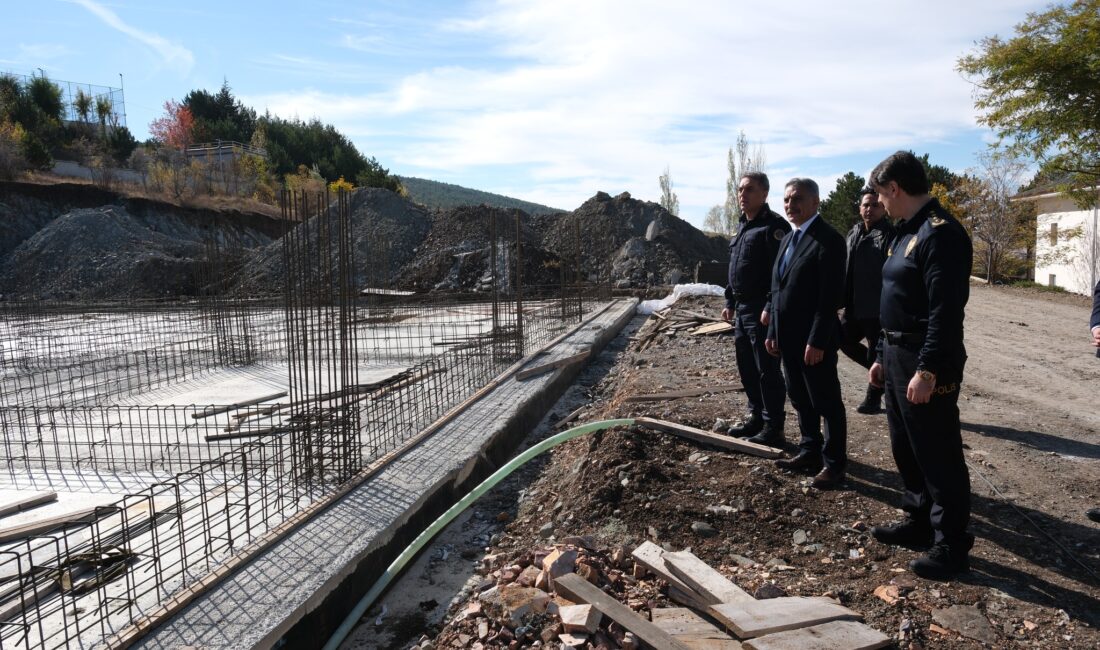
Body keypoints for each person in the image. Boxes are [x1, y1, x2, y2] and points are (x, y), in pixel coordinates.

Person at [867, 151, 974, 580]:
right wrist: (879, 355)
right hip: (896, 355)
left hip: (926, 359)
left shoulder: (940, 235)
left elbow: (944, 313)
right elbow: (891, 303)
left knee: (937, 451)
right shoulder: (904, 232)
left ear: (895, 188)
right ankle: (917, 519)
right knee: (905, 444)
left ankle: (951, 543)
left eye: (880, 195)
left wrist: (928, 369)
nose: (879, 203)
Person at [764, 178, 848, 488]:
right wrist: (773, 331)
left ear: (815, 202)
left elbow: (829, 299)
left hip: (814, 342)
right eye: (786, 199)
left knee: (826, 403)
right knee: (800, 398)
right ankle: (810, 449)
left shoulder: (829, 240)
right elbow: (777, 290)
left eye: (797, 199)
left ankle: (835, 464)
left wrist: (816, 340)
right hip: (787, 338)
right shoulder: (788, 238)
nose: (790, 204)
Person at [721, 172, 791, 446]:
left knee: (767, 370)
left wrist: (771, 308)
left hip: (762, 309)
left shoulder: (774, 227)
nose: (742, 194)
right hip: (742, 309)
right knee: (747, 367)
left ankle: (774, 426)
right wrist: (729, 301)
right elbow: (734, 270)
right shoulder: (742, 226)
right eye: (740, 190)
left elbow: (780, 274)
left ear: (764, 194)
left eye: (749, 190)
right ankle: (756, 418)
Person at [841, 188, 895, 414]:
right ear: (859, 207)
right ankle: (886, 375)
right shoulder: (854, 232)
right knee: (842, 339)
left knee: (876, 350)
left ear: (884, 208)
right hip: (853, 304)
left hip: (876, 306)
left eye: (875, 205)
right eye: (865, 204)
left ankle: (873, 398)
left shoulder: (889, 235)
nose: (869, 209)